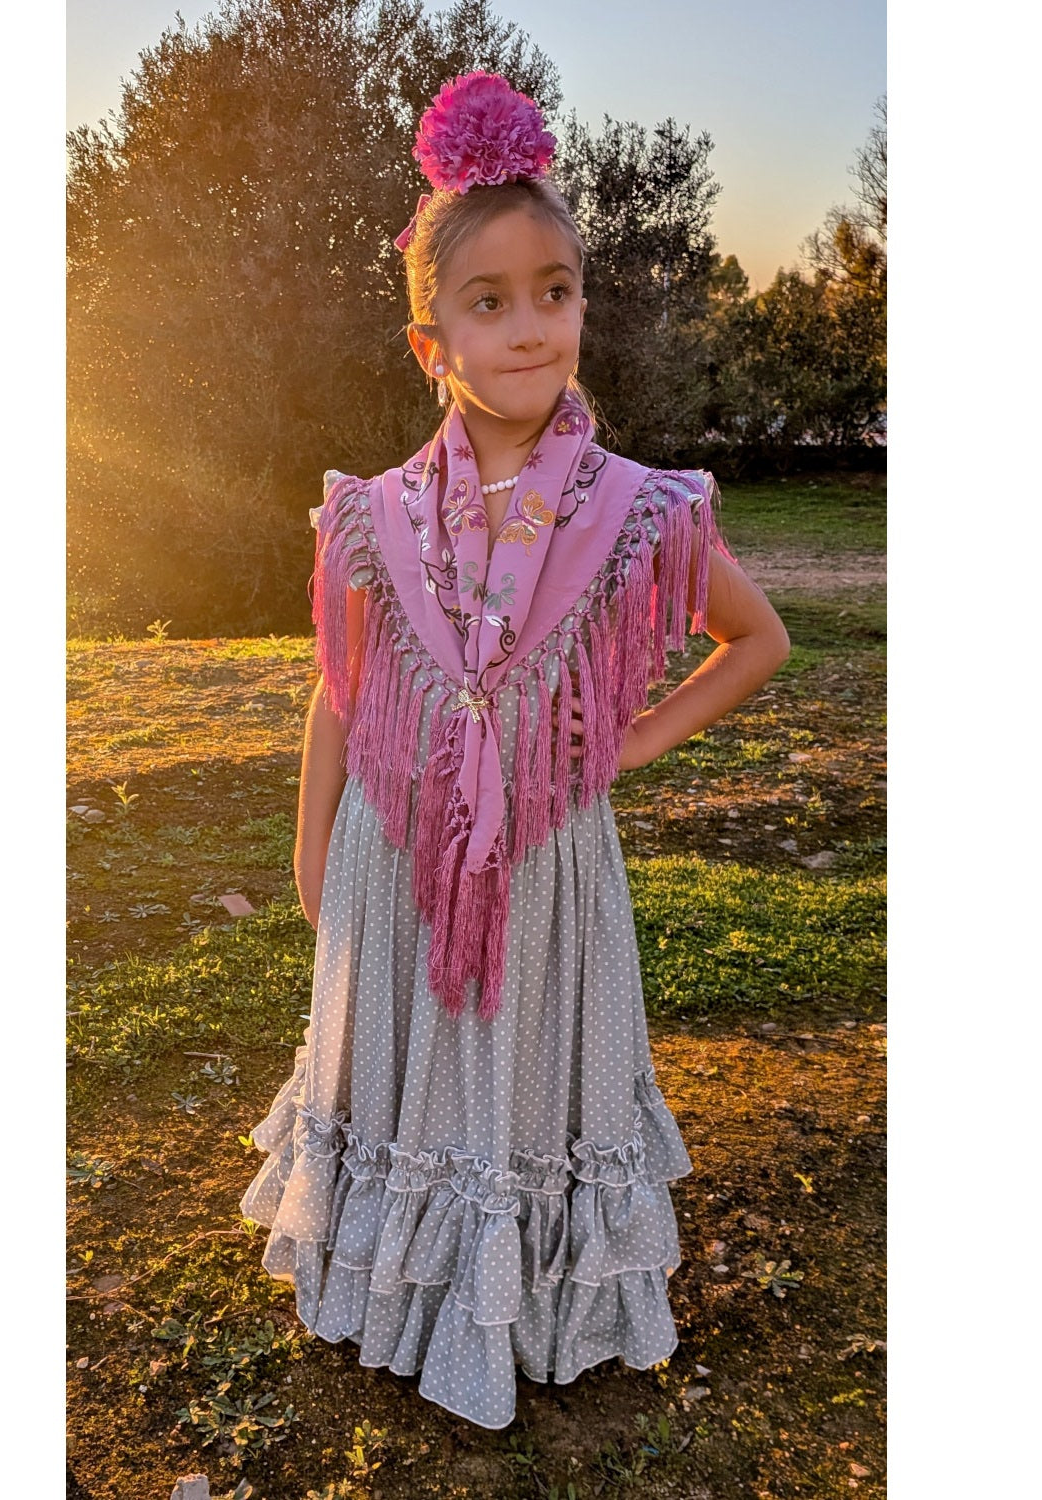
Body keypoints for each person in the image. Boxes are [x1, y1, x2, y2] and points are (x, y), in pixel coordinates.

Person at [240, 71, 790, 1429]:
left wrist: (618, 743)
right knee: (401, 1072)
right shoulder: (369, 519)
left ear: (583, 303)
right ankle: (400, 1295)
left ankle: (531, 1302)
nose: (532, 325)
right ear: (434, 344)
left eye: (556, 289)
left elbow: (758, 640)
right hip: (391, 852)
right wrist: (314, 856)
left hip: (546, 857)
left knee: (525, 1074)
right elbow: (337, 693)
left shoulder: (639, 511)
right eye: (490, 302)